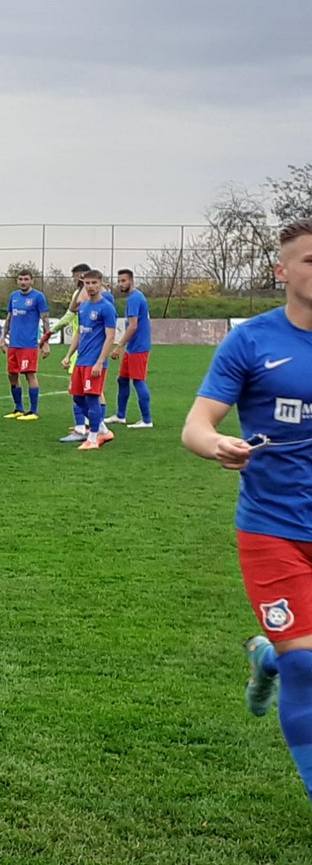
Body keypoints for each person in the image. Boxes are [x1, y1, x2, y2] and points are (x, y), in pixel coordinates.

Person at [181, 218, 312, 805]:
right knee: (307, 666)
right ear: (282, 271)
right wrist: (218, 445)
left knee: (299, 657)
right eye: (310, 260)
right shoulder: (252, 341)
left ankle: (267, 655)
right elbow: (196, 425)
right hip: (273, 529)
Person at [61, 270, 117, 450]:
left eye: (94, 283)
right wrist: (68, 355)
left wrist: (100, 361)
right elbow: (79, 333)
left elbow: (110, 337)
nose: (91, 287)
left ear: (101, 283)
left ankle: (93, 438)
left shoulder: (107, 308)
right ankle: (102, 429)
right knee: (78, 398)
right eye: (88, 283)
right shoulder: (83, 307)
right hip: (81, 360)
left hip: (95, 361)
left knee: (92, 398)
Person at [0, 269, 50, 420]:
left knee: (29, 374)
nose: (23, 282)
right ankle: (18, 408)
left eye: (26, 279)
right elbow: (9, 317)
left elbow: (45, 320)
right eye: (20, 279)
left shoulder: (38, 297)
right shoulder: (14, 296)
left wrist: (45, 342)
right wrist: (3, 338)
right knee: (12, 375)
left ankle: (33, 411)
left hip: (29, 344)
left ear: (32, 281)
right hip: (13, 344)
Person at [107, 269, 153, 429]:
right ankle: (120, 415)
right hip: (133, 347)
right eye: (119, 281)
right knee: (122, 380)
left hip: (138, 347)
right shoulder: (135, 297)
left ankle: (146, 420)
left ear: (131, 281)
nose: (120, 284)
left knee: (138, 381)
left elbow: (133, 326)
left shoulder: (134, 299)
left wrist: (119, 346)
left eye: (123, 281)